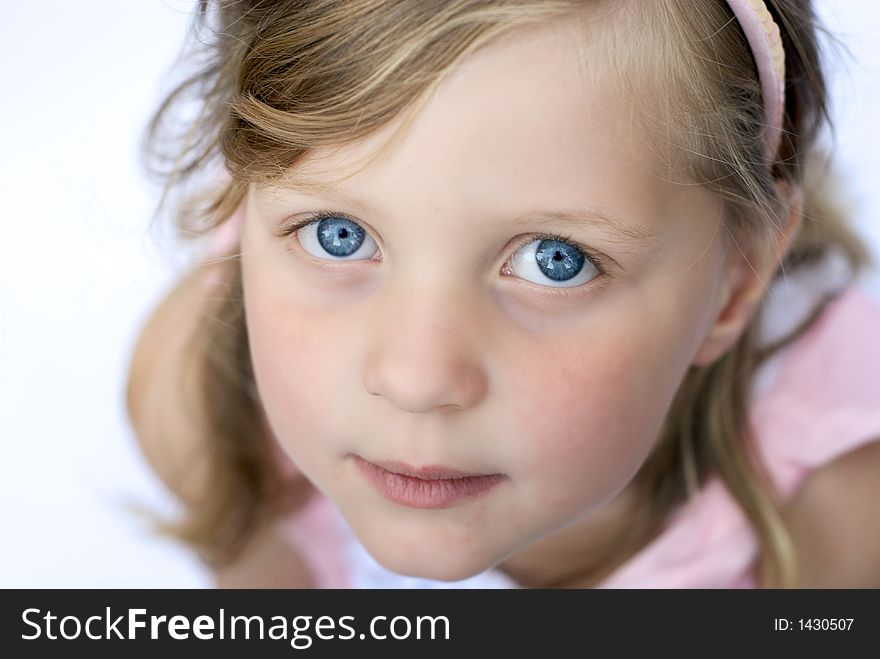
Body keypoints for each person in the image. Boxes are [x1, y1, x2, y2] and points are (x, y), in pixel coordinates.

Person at [126, 0, 880, 589]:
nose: (417, 380)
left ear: (736, 281)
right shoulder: (202, 404)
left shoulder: (838, 505)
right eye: (337, 235)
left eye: (557, 261)